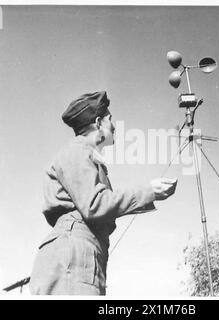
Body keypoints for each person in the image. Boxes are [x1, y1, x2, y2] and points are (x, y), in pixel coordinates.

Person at [29, 91, 177, 295]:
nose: (114, 126)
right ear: (98, 123)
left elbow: (100, 205)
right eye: (110, 119)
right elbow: (95, 205)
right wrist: (149, 191)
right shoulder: (78, 150)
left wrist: (150, 194)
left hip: (78, 253)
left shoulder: (84, 154)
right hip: (75, 255)